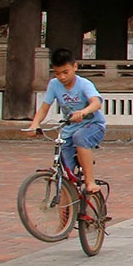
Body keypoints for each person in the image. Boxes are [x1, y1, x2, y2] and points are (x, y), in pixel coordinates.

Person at [25, 48, 106, 202]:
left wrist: (83, 112)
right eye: (57, 73)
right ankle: (66, 217)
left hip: (93, 125)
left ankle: (90, 181)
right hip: (69, 128)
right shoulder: (54, 85)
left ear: (74, 67)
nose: (61, 77)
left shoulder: (84, 84)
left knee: (80, 138)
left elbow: (96, 102)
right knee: (65, 172)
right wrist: (34, 124)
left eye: (65, 72)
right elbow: (44, 108)